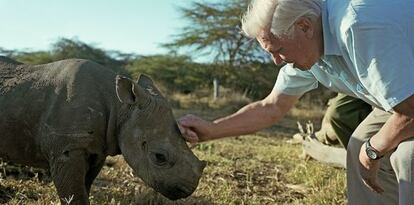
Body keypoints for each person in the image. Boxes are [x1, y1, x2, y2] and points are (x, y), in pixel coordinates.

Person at [178, 0, 414, 204]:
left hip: (409, 102)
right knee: (358, 145)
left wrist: (373, 149)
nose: (277, 61)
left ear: (305, 26)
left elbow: (411, 109)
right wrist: (210, 130)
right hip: (404, 99)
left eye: (278, 49)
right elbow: (272, 107)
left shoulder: (358, 25)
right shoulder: (309, 47)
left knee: (407, 157)